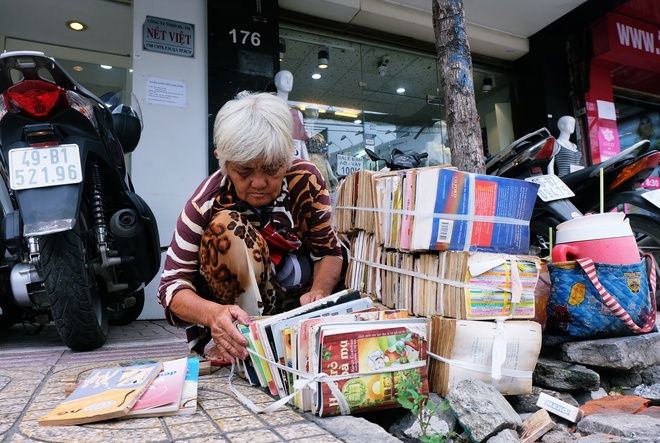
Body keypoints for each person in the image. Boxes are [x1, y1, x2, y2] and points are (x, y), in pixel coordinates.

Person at [158, 91, 344, 364]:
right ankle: (244, 336)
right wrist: (214, 315)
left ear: (288, 157)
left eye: (271, 169)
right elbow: (171, 288)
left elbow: (328, 251)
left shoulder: (306, 180)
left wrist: (320, 292)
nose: (259, 183)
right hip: (238, 311)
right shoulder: (205, 202)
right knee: (225, 230)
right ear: (223, 161)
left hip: (295, 302)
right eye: (244, 171)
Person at [275, 69, 310, 160]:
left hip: (296, 159)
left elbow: (301, 142)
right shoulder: (270, 110)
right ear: (276, 82)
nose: (288, 81)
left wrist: (308, 163)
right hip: (276, 159)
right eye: (285, 78)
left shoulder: (298, 114)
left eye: (290, 79)